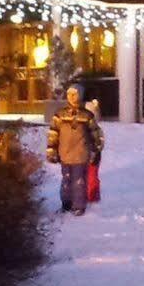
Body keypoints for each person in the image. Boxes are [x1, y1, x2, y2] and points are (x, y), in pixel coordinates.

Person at [45, 85, 103, 216]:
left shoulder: (87, 115)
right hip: (64, 154)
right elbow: (53, 133)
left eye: (75, 94)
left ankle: (78, 206)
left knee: (79, 181)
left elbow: (96, 133)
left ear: (80, 95)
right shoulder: (59, 114)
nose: (72, 97)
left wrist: (96, 150)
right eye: (69, 94)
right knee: (66, 179)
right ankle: (66, 203)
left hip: (81, 154)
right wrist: (51, 151)